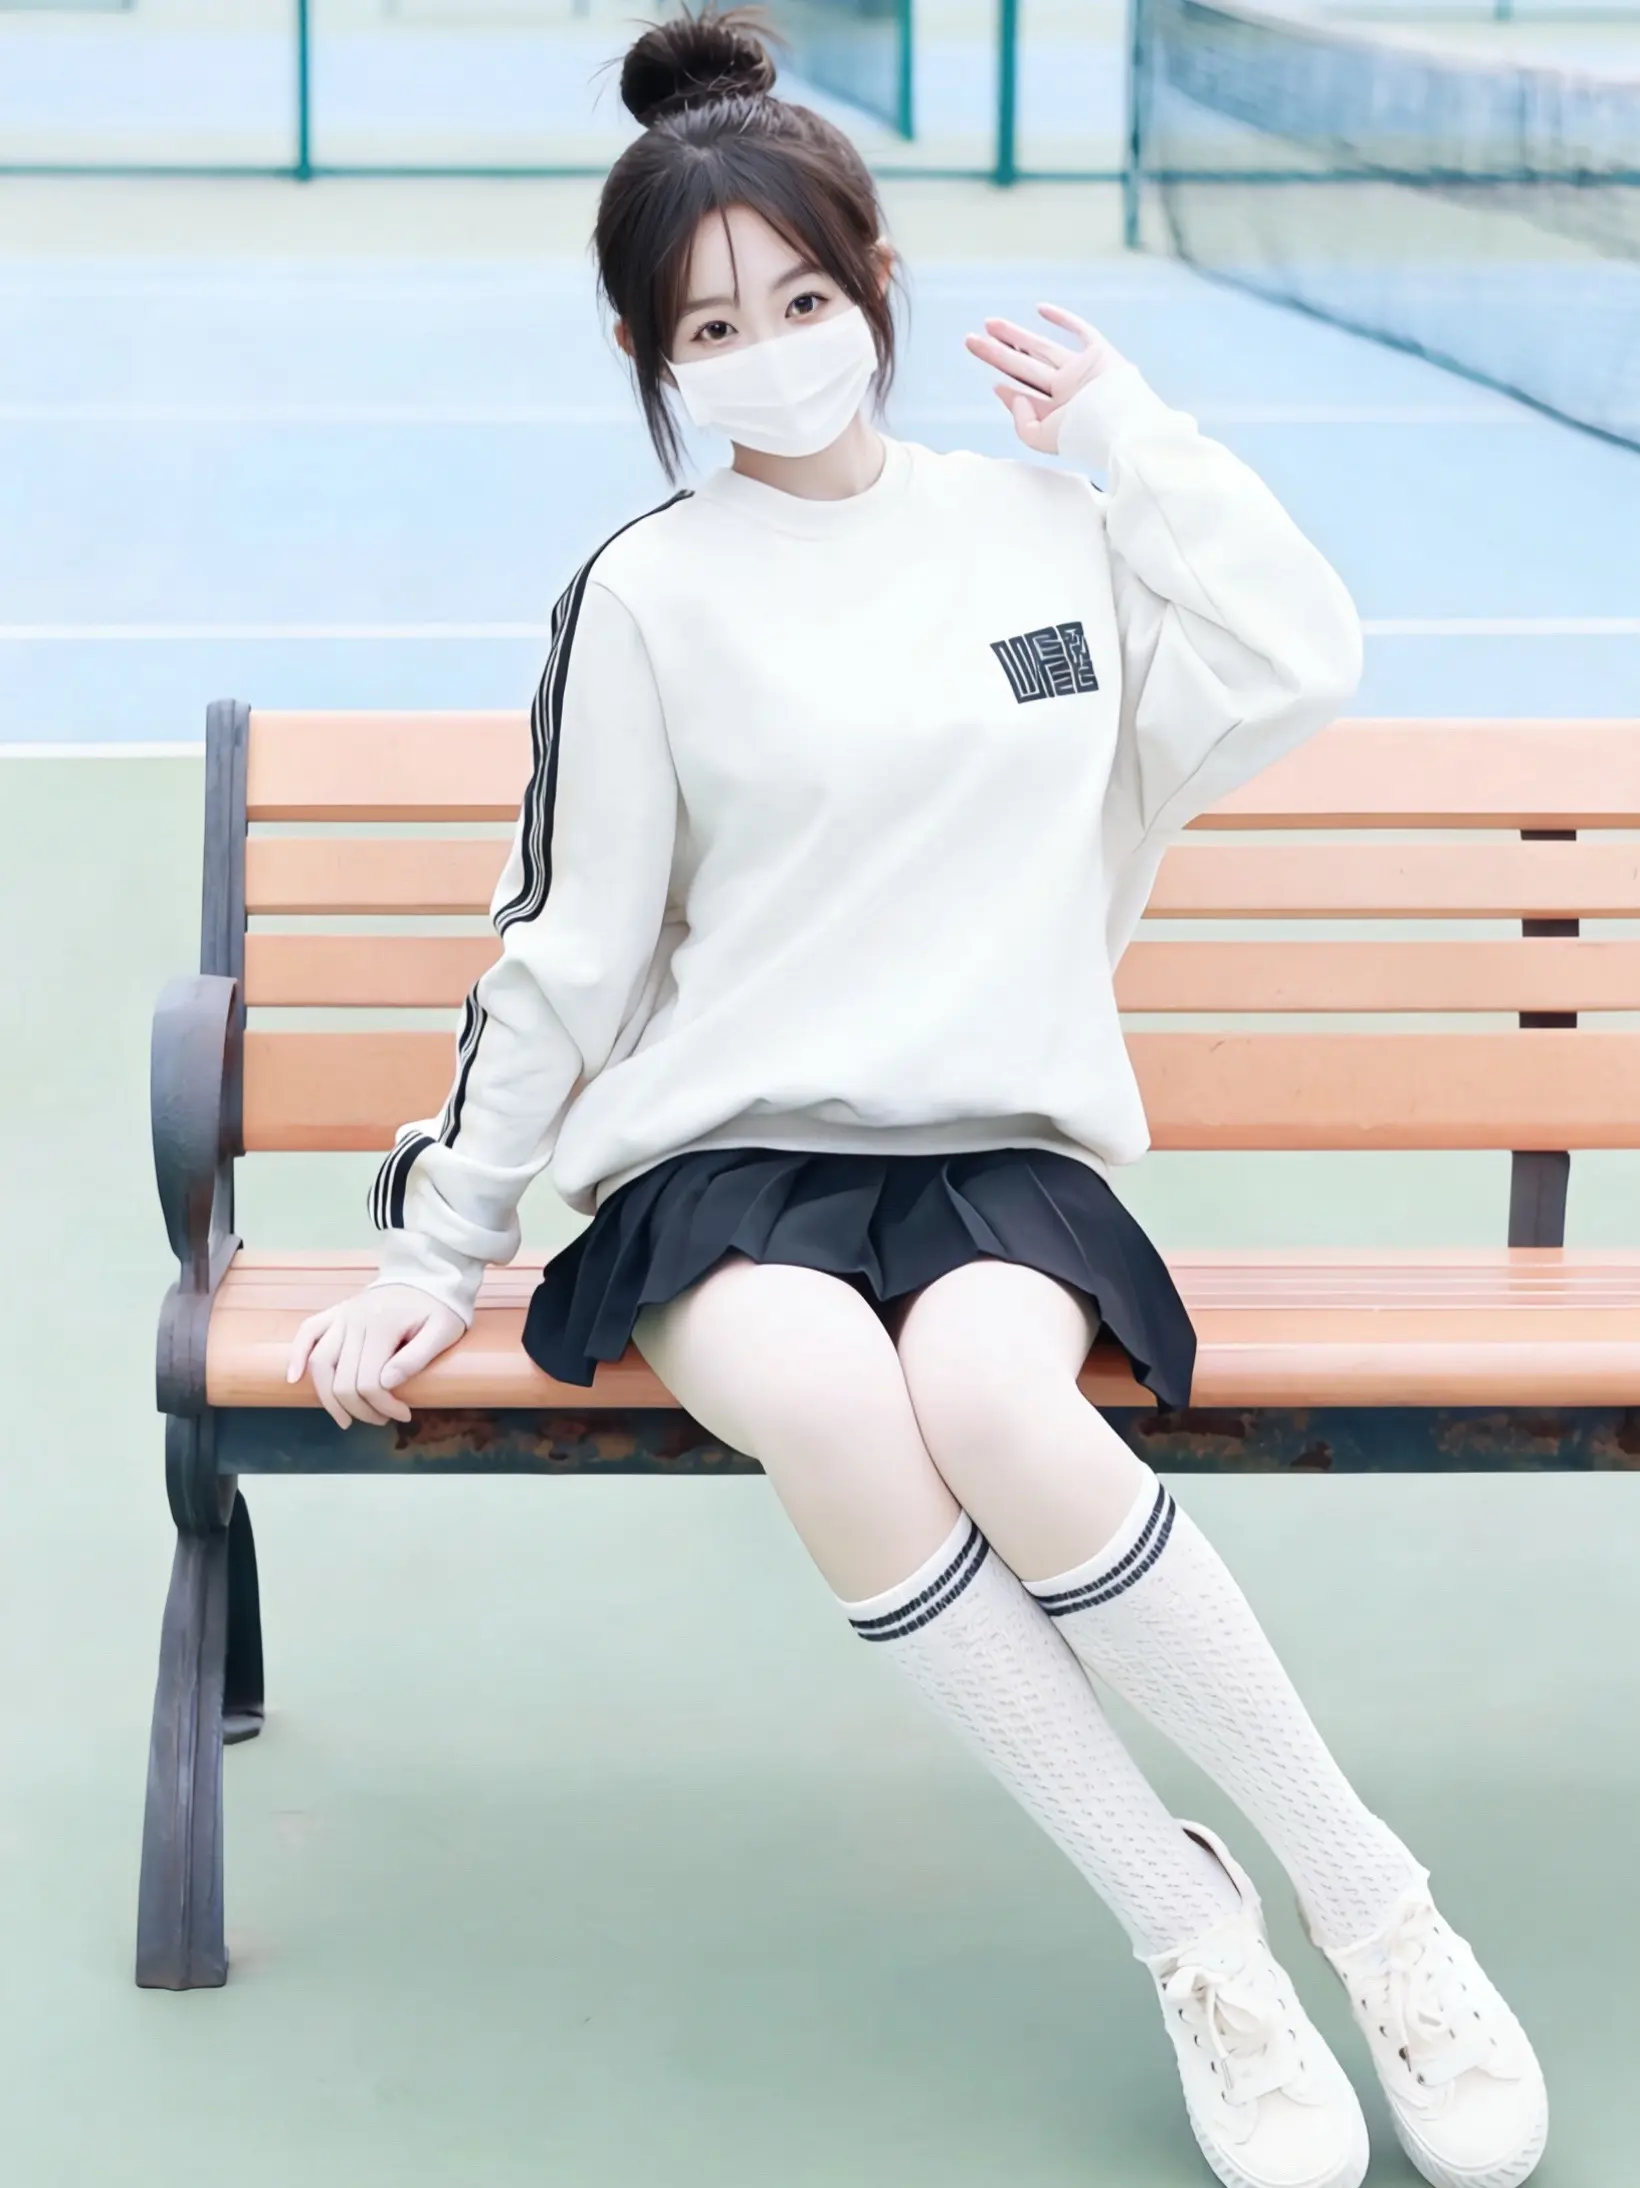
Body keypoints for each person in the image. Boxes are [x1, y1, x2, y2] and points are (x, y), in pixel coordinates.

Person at [287, 10, 1548, 2185]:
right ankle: (1197, 1937)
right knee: (838, 1401)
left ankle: (1372, 1902)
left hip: (997, 1152)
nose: (771, 352)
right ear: (651, 355)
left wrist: (1133, 437)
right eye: (713, 325)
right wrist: (440, 1248)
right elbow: (566, 945)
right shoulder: (646, 596)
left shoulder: (1051, 532)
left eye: (801, 298)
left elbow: (1297, 656)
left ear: (872, 284)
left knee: (989, 1396)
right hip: (726, 1167)